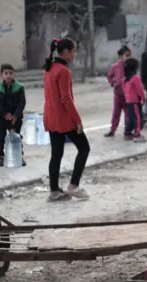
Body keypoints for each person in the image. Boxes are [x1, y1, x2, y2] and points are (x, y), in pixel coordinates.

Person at [43, 38, 90, 201]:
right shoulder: (63, 71)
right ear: (65, 52)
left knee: (56, 154)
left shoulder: (49, 69)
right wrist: (77, 120)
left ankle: (54, 191)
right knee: (84, 148)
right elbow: (66, 99)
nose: (74, 54)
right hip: (63, 118)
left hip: (51, 117)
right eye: (73, 50)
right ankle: (73, 186)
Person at [0, 63, 26, 167]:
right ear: (1, 74)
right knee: (0, 136)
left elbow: (22, 102)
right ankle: (0, 156)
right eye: (6, 73)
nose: (8, 75)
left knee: (16, 136)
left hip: (15, 118)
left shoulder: (19, 87)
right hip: (1, 117)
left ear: (14, 74)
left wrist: (16, 115)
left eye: (11, 73)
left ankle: (18, 156)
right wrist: (4, 114)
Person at [105, 46, 131, 137]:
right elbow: (109, 76)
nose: (128, 57)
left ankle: (128, 130)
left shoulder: (130, 66)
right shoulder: (115, 66)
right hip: (118, 94)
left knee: (128, 113)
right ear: (120, 56)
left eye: (129, 55)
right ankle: (112, 130)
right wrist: (112, 83)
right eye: (126, 55)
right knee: (116, 113)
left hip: (128, 95)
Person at [123, 58, 147, 142]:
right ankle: (137, 134)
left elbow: (124, 89)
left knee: (130, 118)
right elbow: (139, 89)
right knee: (138, 118)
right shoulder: (136, 78)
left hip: (128, 101)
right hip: (135, 101)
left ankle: (127, 133)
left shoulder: (125, 79)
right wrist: (143, 98)